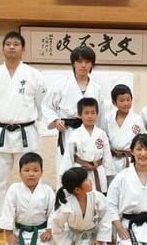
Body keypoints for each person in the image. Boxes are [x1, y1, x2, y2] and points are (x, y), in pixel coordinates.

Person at [0, 31, 47, 218]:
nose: (12, 46)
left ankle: (31, 216)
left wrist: (34, 124)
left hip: (26, 132)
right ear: (3, 48)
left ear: (23, 49)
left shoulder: (34, 74)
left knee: (32, 175)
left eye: (16, 44)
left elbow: (41, 103)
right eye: (8, 44)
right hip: (1, 132)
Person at [42, 46, 107, 186]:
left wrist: (100, 136)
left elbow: (101, 115)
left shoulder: (97, 89)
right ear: (73, 63)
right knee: (66, 169)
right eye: (79, 61)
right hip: (68, 132)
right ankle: (65, 204)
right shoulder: (60, 85)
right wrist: (55, 120)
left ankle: (89, 205)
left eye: (87, 62)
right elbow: (46, 106)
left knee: (89, 172)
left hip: (90, 134)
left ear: (92, 65)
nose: (83, 65)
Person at [0, 152, 56, 245]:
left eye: (35, 170)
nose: (31, 174)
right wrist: (9, 234)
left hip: (40, 232)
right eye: (26, 170)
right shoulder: (14, 189)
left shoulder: (47, 190)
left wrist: (49, 231)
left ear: (41, 172)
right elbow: (8, 212)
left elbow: (53, 212)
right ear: (20, 173)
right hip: (19, 233)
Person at [49, 167, 111, 245]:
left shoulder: (97, 197)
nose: (90, 181)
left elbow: (106, 217)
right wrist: (67, 244)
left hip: (92, 235)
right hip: (74, 237)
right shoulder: (67, 204)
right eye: (86, 180)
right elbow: (56, 225)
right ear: (77, 190)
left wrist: (100, 240)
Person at [60, 97, 112, 193]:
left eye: (93, 113)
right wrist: (66, 174)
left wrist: (109, 172)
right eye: (86, 113)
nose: (90, 116)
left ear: (97, 114)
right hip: (80, 172)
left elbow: (107, 155)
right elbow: (68, 156)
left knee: (99, 200)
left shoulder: (101, 134)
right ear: (80, 115)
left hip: (98, 171)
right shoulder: (74, 135)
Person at [104, 84, 145, 185]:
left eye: (128, 99)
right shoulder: (107, 119)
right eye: (121, 100)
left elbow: (142, 141)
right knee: (113, 189)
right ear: (114, 102)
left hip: (130, 160)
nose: (126, 103)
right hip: (112, 160)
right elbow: (104, 140)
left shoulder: (137, 119)